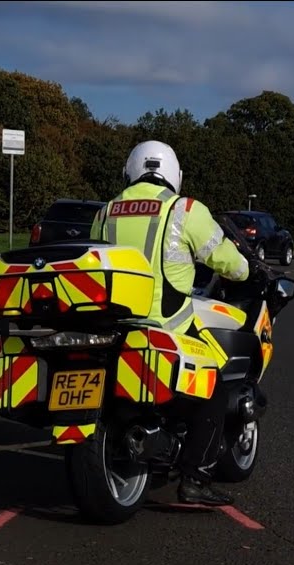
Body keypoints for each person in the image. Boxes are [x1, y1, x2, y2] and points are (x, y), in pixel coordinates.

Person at [89, 140, 268, 507]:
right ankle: (196, 478)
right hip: (167, 326)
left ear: (130, 171)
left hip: (112, 326)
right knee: (213, 390)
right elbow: (227, 261)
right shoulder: (184, 210)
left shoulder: (106, 212)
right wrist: (249, 271)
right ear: (174, 175)